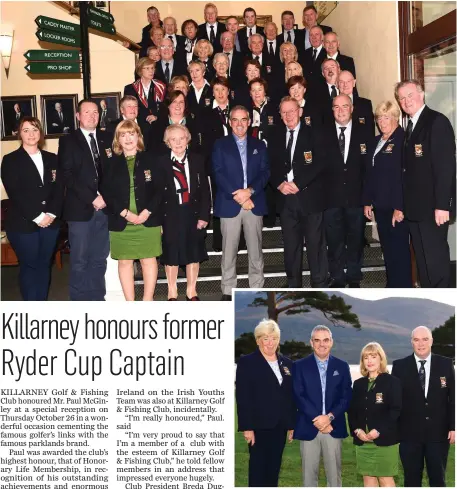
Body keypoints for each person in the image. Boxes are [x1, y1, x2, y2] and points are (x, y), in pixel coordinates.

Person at [395, 79, 455, 288]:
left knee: (436, 266)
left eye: (410, 95)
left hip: (432, 210)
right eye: (401, 98)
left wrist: (442, 205)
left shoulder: (436, 122)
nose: (406, 101)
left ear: (421, 95)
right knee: (424, 266)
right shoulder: (410, 127)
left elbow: (445, 168)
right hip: (415, 211)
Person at [1, 117, 63, 300]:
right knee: (30, 266)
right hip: (23, 224)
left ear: (40, 133)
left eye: (34, 129)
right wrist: (37, 216)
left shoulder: (52, 159)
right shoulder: (10, 160)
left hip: (50, 224)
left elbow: (59, 189)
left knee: (44, 265)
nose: (31, 134)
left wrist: (51, 214)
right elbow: (15, 193)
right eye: (26, 130)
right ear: (19, 134)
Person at [269, 97, 328, 288]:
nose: (288, 115)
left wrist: (299, 183)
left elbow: (320, 163)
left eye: (292, 111)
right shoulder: (274, 135)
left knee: (315, 245)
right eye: (284, 112)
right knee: (291, 246)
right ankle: (294, 284)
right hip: (286, 200)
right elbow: (268, 164)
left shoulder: (315, 133)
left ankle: (318, 284)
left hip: (309, 198)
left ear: (300, 111)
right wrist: (279, 183)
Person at [212, 106, 269, 300]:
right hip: (230, 203)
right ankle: (228, 290)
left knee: (256, 250)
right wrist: (238, 196)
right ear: (230, 122)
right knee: (229, 251)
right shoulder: (220, 144)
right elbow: (217, 172)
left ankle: (256, 286)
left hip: (254, 203)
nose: (239, 124)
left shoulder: (259, 145)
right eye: (235, 120)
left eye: (243, 119)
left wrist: (249, 192)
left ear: (249, 121)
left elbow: (265, 173)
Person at [101, 120, 162, 301]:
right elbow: (107, 192)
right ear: (118, 139)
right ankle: (130, 304)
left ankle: (147, 300)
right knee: (125, 262)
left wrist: (146, 212)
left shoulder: (152, 159)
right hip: (121, 221)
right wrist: (125, 213)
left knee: (148, 260)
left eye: (131, 133)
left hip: (147, 219)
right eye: (123, 134)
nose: (128, 138)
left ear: (138, 136)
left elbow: (160, 189)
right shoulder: (110, 163)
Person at [58, 99, 111, 301]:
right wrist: (93, 198)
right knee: (80, 260)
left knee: (99, 258)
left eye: (95, 112)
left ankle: (97, 298)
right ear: (78, 116)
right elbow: (68, 175)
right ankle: (80, 302)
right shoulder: (68, 141)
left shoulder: (107, 138)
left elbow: (113, 173)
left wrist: (106, 197)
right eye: (87, 112)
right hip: (80, 210)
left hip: (105, 209)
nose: (92, 116)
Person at [236, 319, 296, 487]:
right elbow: (243, 397)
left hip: (280, 426)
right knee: (257, 470)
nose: (270, 343)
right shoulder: (247, 362)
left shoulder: (288, 364)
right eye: (266, 338)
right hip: (258, 426)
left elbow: (290, 396)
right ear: (258, 340)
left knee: (273, 470)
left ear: (278, 340)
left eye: (274, 338)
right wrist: (247, 427)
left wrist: (291, 424)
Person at [392, 326, 455, 487]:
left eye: (425, 339)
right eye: (416, 339)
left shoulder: (446, 364)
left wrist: (453, 427)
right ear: (411, 342)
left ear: (432, 341)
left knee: (438, 479)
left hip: (438, 435)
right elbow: (394, 401)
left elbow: (452, 398)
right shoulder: (399, 366)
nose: (421, 343)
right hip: (409, 435)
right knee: (412, 480)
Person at [293, 325, 352, 487]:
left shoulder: (342, 366)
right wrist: (317, 419)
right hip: (308, 427)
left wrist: (329, 417)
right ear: (311, 343)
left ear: (331, 342)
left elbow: (346, 396)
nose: (322, 344)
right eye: (317, 340)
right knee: (309, 478)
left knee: (334, 478)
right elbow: (299, 396)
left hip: (333, 428)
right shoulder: (299, 366)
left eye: (325, 340)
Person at [158, 124, 210, 301]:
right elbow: (156, 193)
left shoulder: (197, 159)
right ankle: (172, 292)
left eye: (181, 138)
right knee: (171, 252)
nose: (178, 142)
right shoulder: (161, 162)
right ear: (168, 142)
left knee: (193, 252)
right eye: (173, 139)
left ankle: (191, 291)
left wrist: (204, 216)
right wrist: (158, 221)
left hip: (193, 213)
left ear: (187, 140)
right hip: (169, 214)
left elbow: (204, 190)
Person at [363, 101, 412, 288]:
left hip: (396, 207)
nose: (382, 122)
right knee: (388, 251)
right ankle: (392, 284)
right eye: (379, 118)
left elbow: (404, 176)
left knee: (399, 252)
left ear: (395, 118)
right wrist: (367, 201)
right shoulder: (376, 141)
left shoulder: (403, 139)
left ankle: (403, 288)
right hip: (380, 206)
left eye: (386, 117)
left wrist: (400, 207)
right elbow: (370, 174)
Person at [323, 94, 370, 288]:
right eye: (336, 107)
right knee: (333, 241)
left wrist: (368, 198)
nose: (341, 110)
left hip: (356, 198)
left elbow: (369, 168)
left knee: (356, 239)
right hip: (330, 198)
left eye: (344, 106)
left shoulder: (365, 133)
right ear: (332, 110)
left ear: (352, 108)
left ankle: (354, 276)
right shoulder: (322, 133)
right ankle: (337, 276)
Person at [348, 342, 402, 487]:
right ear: (362, 361)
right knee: (368, 478)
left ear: (381, 359)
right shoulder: (358, 384)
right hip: (363, 441)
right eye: (366, 357)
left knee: (385, 478)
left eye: (373, 356)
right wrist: (357, 430)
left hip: (384, 441)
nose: (370, 361)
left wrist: (378, 430)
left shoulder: (392, 382)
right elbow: (352, 411)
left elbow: (395, 410)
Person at [123, 58, 166, 141]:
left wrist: (156, 117)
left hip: (158, 127)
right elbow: (128, 109)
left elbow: (165, 107)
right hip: (139, 127)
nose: (151, 71)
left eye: (152, 68)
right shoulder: (130, 88)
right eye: (147, 68)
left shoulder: (161, 86)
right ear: (140, 70)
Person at [338, 70, 374, 135]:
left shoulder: (365, 104)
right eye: (341, 82)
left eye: (348, 81)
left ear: (354, 83)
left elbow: (370, 131)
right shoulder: (329, 105)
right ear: (337, 84)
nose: (345, 85)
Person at [301, 26, 327, 93]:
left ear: (322, 37)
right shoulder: (304, 54)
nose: (314, 37)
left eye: (317, 34)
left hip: (323, 92)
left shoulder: (328, 53)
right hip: (307, 93)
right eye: (311, 35)